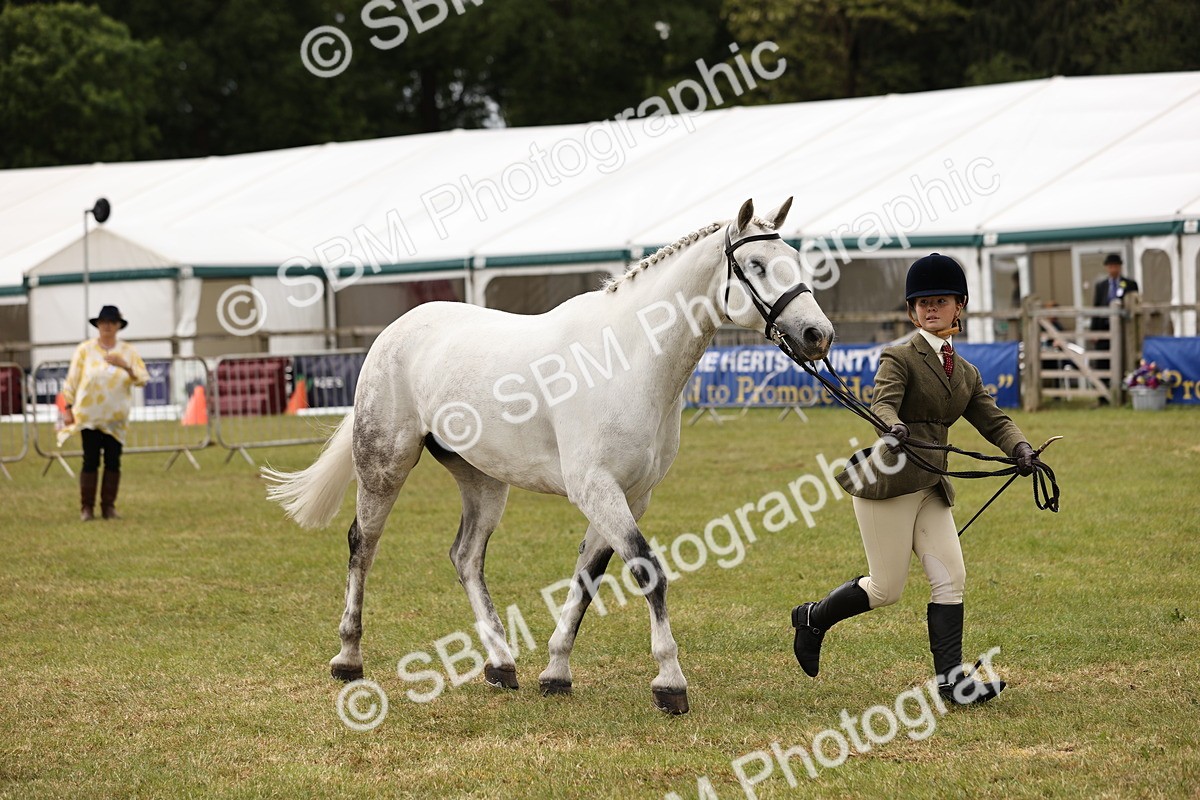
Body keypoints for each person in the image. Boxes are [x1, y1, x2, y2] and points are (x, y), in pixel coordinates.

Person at [789, 253, 1046, 705]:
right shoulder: (900, 356)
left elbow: (994, 420)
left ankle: (952, 684)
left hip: (930, 486)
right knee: (886, 589)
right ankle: (813, 618)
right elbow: (881, 402)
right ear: (912, 311)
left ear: (959, 306)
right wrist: (892, 426)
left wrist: (1022, 449)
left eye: (940, 301)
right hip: (888, 484)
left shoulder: (965, 373)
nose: (931, 308)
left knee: (952, 577)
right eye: (922, 302)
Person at [60, 305, 148, 521]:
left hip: (116, 420)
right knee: (90, 460)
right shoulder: (85, 350)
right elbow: (72, 380)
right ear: (98, 325)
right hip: (89, 417)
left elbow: (142, 379)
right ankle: (86, 508)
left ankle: (108, 507)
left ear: (118, 326)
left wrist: (126, 366)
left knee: (113, 461)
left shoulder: (128, 351)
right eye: (103, 322)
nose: (107, 326)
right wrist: (68, 408)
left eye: (111, 322)